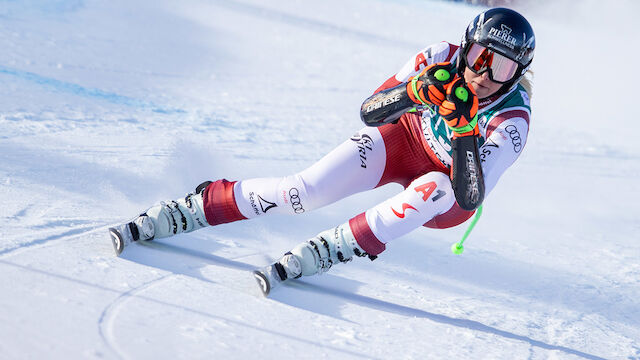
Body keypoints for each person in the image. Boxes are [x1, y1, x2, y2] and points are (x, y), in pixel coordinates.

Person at [109, 7, 535, 296]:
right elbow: (371, 112)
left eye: (501, 67)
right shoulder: (439, 56)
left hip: (447, 194)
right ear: (466, 46)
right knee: (304, 192)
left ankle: (335, 246)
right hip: (404, 140)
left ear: (518, 74)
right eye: (480, 56)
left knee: (435, 188)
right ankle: (195, 207)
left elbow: (469, 197)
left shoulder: (512, 118)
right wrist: (413, 91)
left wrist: (463, 131)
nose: (484, 75)